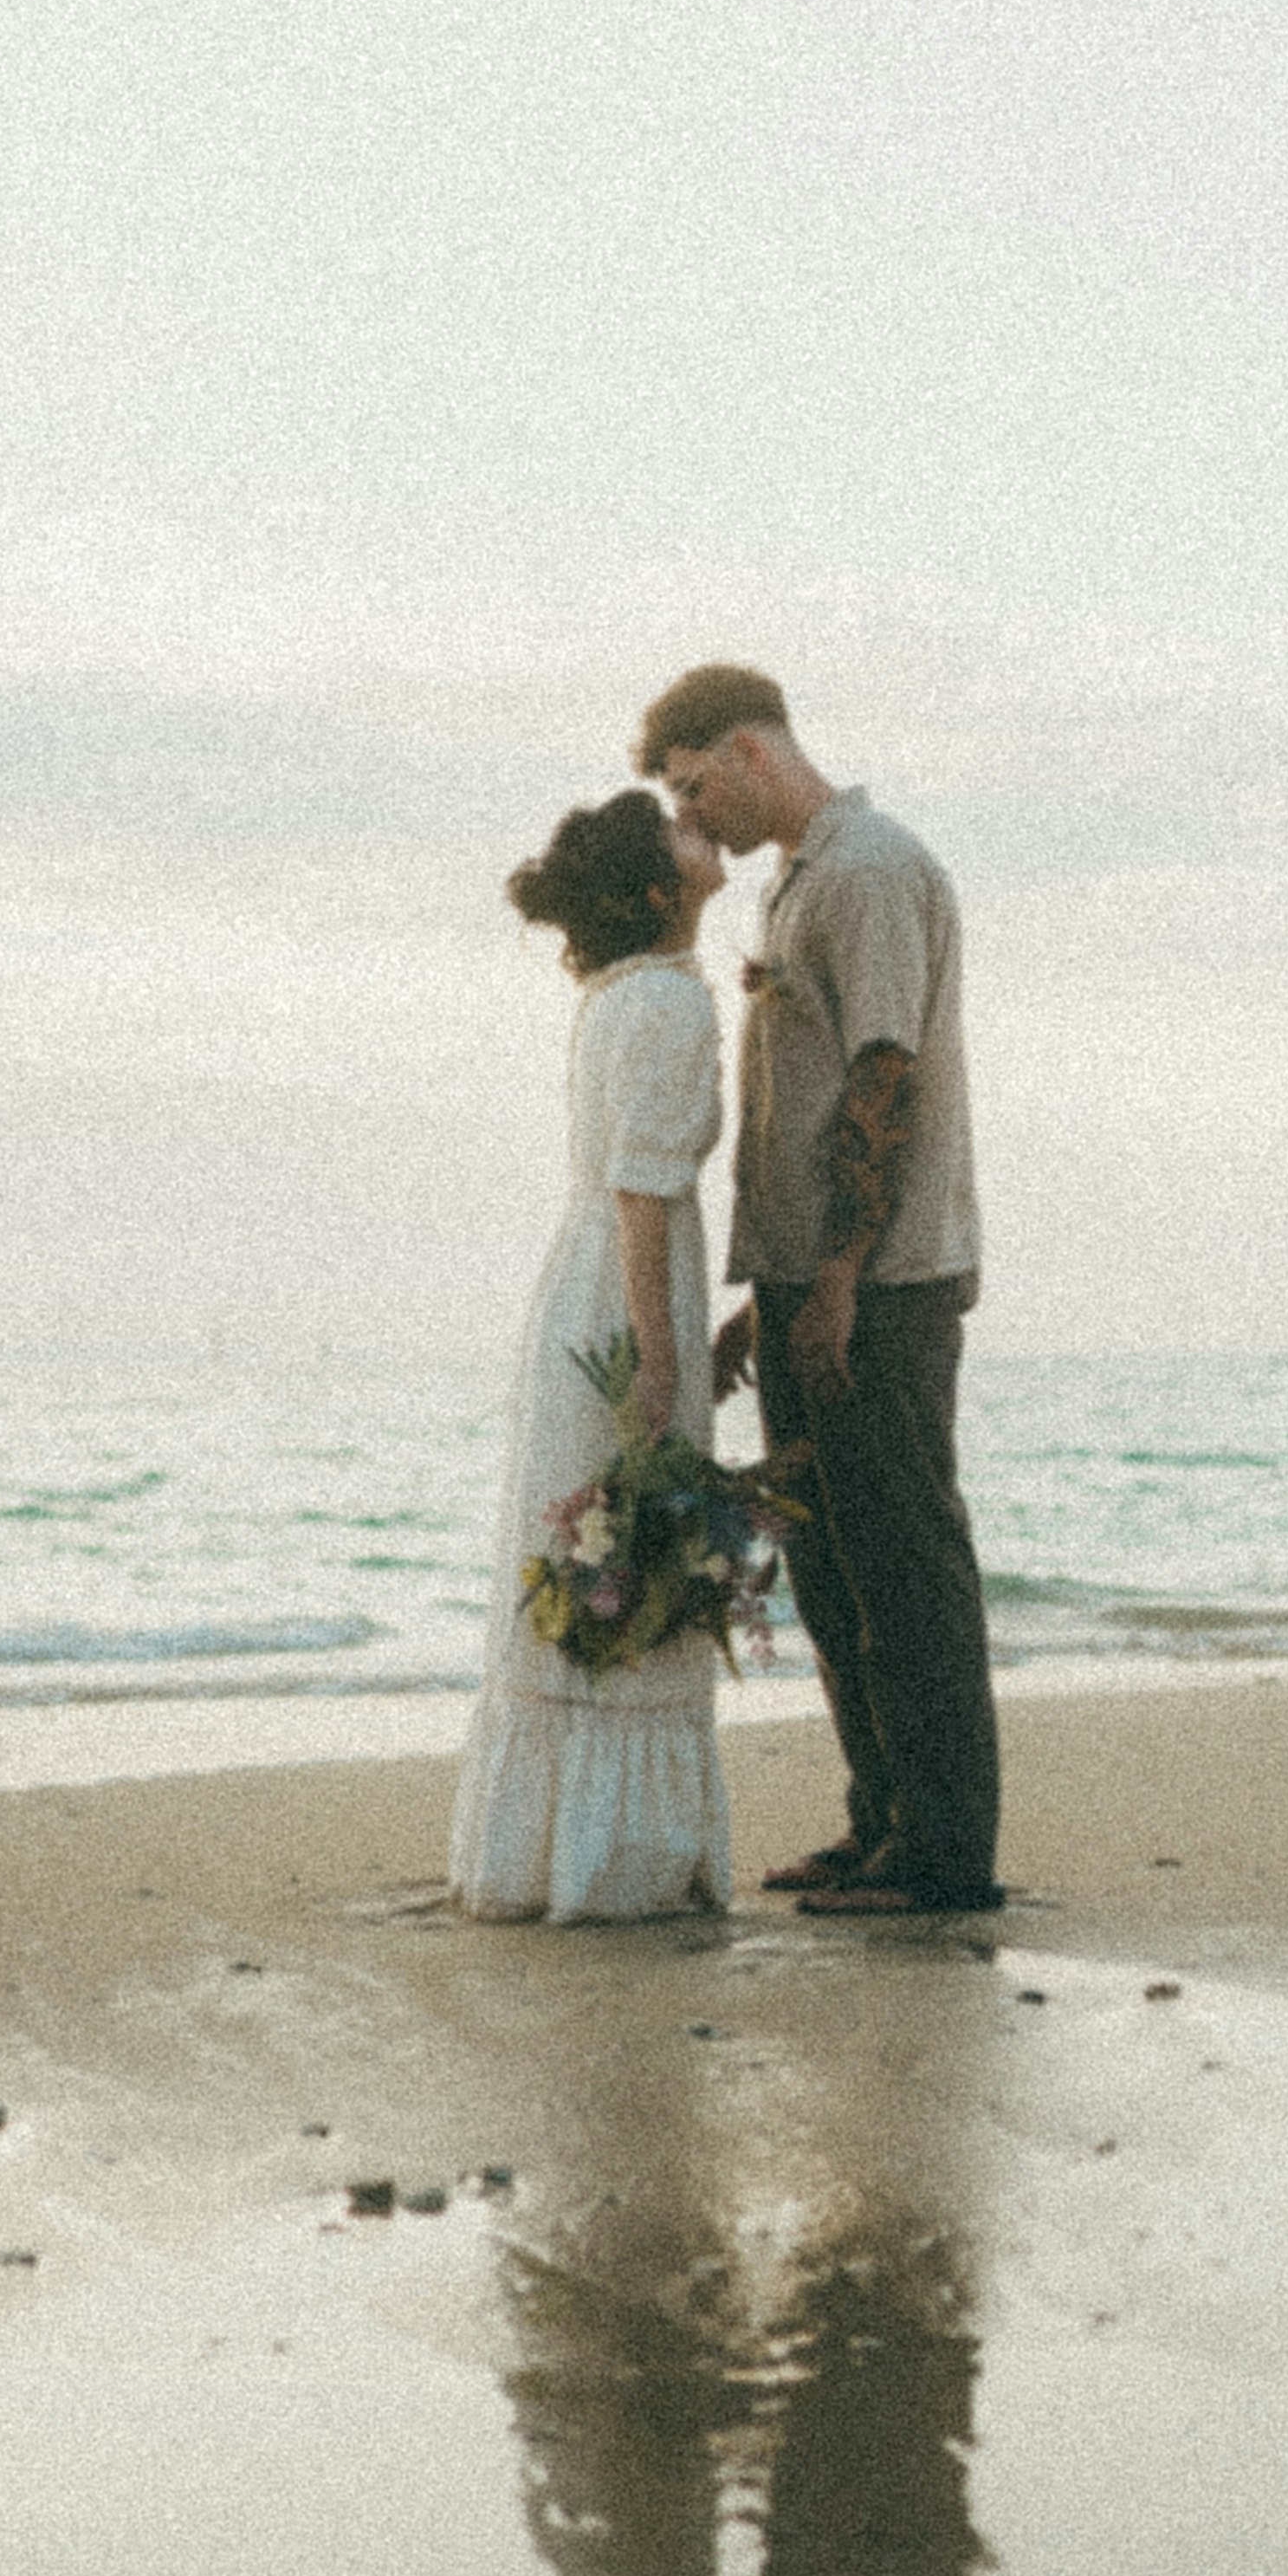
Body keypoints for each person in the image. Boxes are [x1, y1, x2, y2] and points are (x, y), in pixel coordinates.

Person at [635, 665, 1002, 1917]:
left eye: (695, 786)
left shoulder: (870, 872)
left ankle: (947, 1853)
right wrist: (773, 1292)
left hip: (884, 1282)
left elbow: (881, 1080)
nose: (697, 817)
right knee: (833, 1570)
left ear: (747, 749)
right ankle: (882, 1821)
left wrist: (840, 1271)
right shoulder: (799, 881)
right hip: (808, 1283)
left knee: (905, 1560)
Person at [450, 788, 735, 1924]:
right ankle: (616, 1861)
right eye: (675, 829)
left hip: (585, 1282)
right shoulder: (665, 1000)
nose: (696, 822)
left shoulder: (623, 996)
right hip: (625, 1289)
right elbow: (643, 1187)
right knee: (631, 1547)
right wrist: (662, 1362)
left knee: (597, 1556)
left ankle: (558, 1847)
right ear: (662, 889)